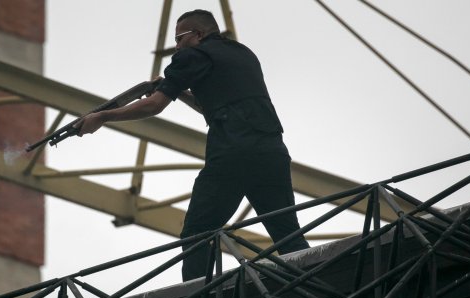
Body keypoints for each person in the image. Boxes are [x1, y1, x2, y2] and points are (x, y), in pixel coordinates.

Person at [75, 9, 309, 281]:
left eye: (180, 38)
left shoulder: (191, 56)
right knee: (287, 235)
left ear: (197, 34)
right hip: (271, 151)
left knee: (198, 233)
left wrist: (103, 117)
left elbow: (154, 105)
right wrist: (180, 92)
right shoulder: (244, 54)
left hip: (232, 153)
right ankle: (319, 285)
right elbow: (219, 102)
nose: (176, 47)